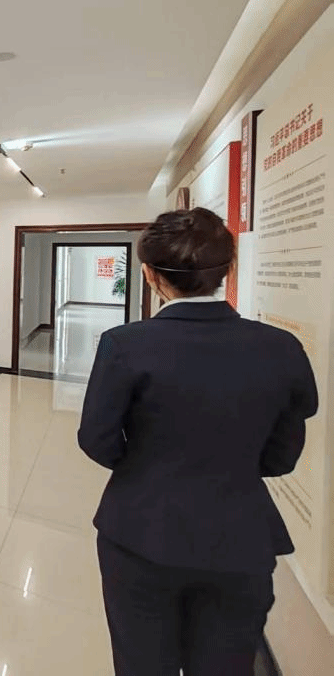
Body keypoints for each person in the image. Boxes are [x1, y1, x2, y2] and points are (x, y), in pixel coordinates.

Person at [78, 207, 318, 676]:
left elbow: (97, 440)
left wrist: (146, 466)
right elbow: (281, 458)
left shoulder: (125, 344)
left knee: (142, 663)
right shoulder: (281, 348)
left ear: (149, 275)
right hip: (240, 538)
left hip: (141, 532)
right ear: (227, 270)